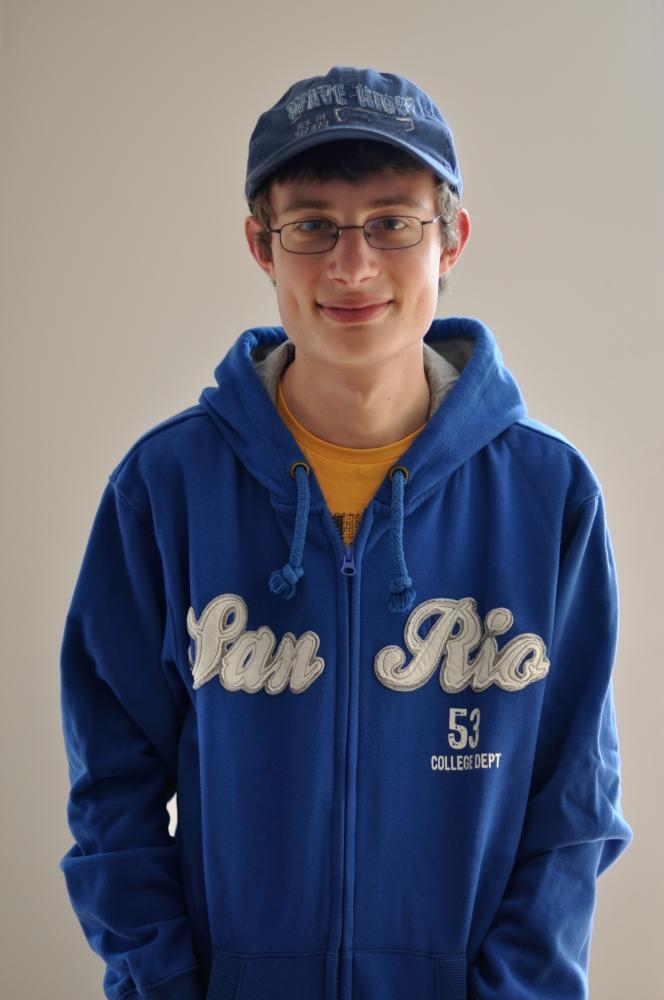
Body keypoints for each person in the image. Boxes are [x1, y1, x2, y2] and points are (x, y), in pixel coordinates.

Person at [59, 66, 631, 1000]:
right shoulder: (165, 490)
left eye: (392, 223)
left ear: (451, 239)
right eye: (313, 225)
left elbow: (572, 808)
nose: (352, 266)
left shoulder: (548, 495)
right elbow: (112, 793)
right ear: (262, 244)